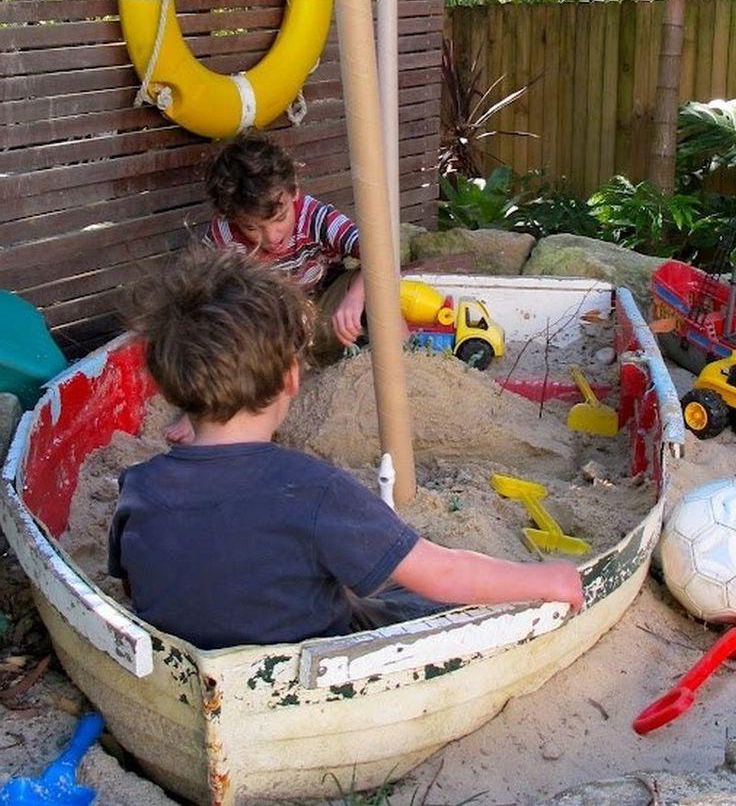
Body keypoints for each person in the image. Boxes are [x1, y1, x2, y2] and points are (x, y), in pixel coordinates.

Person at [109, 246, 584, 650]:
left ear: (173, 390)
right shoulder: (313, 489)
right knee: (414, 596)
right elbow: (443, 571)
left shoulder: (138, 487)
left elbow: (134, 582)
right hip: (307, 658)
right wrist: (546, 580)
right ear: (292, 378)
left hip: (184, 656)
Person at [204, 129, 366, 355]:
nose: (272, 237)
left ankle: (408, 359)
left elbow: (378, 254)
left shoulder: (315, 217)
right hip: (270, 333)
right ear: (230, 217)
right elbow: (204, 296)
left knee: (376, 289)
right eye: (252, 227)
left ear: (294, 192)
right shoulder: (223, 237)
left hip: (324, 313)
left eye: (280, 218)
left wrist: (355, 298)